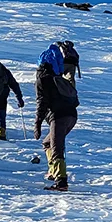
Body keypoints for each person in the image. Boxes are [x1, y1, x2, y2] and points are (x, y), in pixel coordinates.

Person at [34, 53, 80, 191]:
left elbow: (41, 103)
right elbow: (76, 100)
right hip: (71, 116)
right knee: (48, 143)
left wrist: (37, 123)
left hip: (59, 116)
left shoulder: (42, 80)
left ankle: (61, 182)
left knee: (56, 147)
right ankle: (54, 171)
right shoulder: (61, 80)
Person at [0, 65, 25, 140]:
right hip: (2, 92)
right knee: (0, 112)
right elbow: (14, 84)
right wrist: (19, 98)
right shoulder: (3, 70)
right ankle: (1, 132)